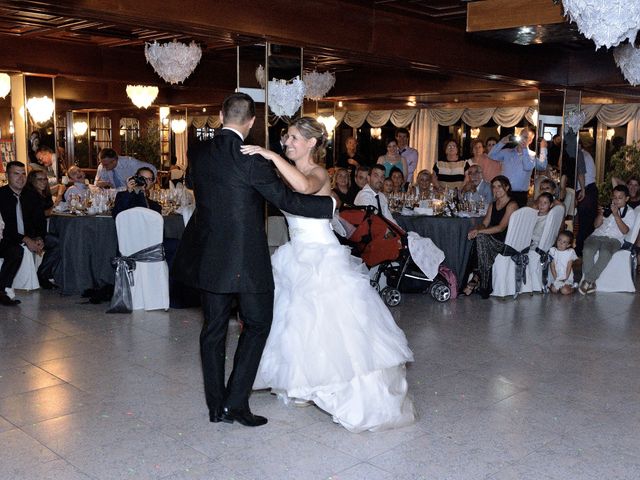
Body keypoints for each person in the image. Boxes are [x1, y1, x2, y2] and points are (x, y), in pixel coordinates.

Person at [241, 116, 415, 433]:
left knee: (330, 325)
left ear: (311, 143)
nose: (287, 143)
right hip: (296, 254)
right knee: (296, 324)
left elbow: (305, 188)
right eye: (285, 138)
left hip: (321, 257)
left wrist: (271, 156)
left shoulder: (318, 172)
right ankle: (302, 384)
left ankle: (340, 388)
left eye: (293, 138)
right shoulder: (286, 175)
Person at [171, 93, 333, 428]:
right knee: (257, 325)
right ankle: (236, 403)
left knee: (212, 330)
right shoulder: (252, 160)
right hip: (248, 261)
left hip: (210, 257)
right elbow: (287, 198)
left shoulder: (198, 153)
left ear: (220, 114)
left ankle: (216, 407)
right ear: (253, 121)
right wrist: (329, 207)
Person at [0, 162, 47, 305]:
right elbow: (5, 228)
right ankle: (3, 289)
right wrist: (25, 239)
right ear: (7, 175)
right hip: (5, 238)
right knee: (15, 251)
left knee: (59, 242)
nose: (21, 178)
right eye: (16, 174)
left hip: (27, 236)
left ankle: (45, 277)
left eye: (23, 173)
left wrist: (39, 237)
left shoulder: (31, 195)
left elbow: (39, 220)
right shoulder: (1, 196)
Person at [464, 175, 519, 298]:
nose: (496, 189)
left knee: (481, 238)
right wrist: (477, 230)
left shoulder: (512, 205)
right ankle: (479, 278)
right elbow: (484, 223)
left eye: (499, 186)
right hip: (491, 238)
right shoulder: (492, 205)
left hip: (504, 241)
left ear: (507, 187)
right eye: (494, 187)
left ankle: (479, 279)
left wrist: (480, 232)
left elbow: (501, 228)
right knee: (477, 238)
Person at [579, 185, 636, 295]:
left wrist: (616, 215)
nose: (616, 200)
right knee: (587, 250)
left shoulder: (629, 212)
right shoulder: (607, 207)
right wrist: (601, 214)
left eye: (620, 197)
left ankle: (588, 281)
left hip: (614, 240)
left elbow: (625, 231)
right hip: (597, 236)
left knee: (605, 253)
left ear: (627, 199)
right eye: (614, 197)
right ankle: (592, 283)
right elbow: (596, 225)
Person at [488, 128, 548, 207]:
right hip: (504, 192)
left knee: (517, 218)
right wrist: (502, 142)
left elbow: (542, 166)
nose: (522, 139)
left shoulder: (532, 155)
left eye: (526, 137)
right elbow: (491, 155)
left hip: (520, 195)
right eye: (521, 136)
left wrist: (543, 148)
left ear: (530, 141)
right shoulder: (507, 152)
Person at [575, 142, 598, 256]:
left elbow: (581, 173)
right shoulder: (586, 154)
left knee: (584, 224)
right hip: (591, 189)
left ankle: (580, 251)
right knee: (588, 224)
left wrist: (582, 190)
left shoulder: (580, 154)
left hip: (586, 190)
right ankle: (587, 251)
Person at [549, 230, 577, 295]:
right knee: (554, 290)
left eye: (564, 242)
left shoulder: (570, 252)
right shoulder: (553, 251)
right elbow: (552, 266)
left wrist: (565, 279)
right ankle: (558, 286)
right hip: (556, 276)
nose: (561, 243)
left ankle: (573, 287)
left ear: (568, 245)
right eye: (559, 240)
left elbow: (568, 268)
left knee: (564, 291)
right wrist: (556, 279)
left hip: (566, 277)